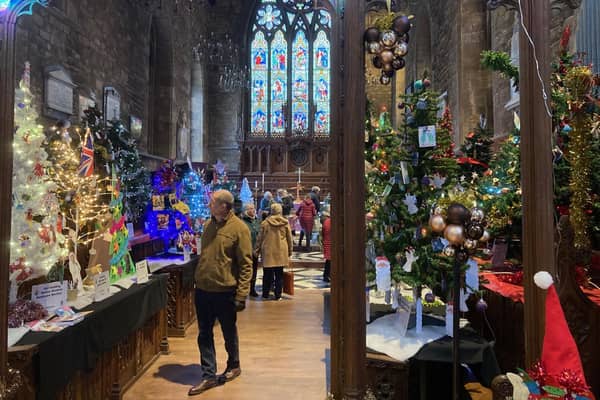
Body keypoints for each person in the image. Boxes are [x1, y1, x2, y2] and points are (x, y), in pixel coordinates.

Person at [189, 190, 253, 396]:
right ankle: (208, 375)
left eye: (213, 202)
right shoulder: (208, 225)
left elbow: (246, 264)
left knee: (228, 331)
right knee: (204, 333)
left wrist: (242, 294)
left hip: (225, 291)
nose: (209, 205)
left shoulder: (240, 229)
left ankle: (234, 365)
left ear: (224, 206)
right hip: (203, 289)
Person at [255, 203, 293, 300]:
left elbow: (260, 238)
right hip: (281, 251)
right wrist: (290, 251)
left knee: (267, 274)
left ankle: (265, 294)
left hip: (268, 251)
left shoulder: (265, 223)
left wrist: (256, 250)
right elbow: (289, 238)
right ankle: (278, 295)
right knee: (279, 275)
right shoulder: (285, 222)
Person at [241, 203, 261, 297]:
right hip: (245, 251)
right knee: (245, 271)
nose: (253, 210)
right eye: (251, 208)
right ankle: (242, 290)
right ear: (246, 210)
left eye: (253, 208)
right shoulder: (242, 222)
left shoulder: (257, 221)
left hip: (255, 251)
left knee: (254, 271)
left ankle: (252, 289)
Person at [321, 210, 331, 282]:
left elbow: (323, 234)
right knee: (330, 261)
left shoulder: (326, 222)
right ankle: (327, 275)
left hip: (327, 242)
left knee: (328, 261)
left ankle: (326, 275)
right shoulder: (330, 222)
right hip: (331, 243)